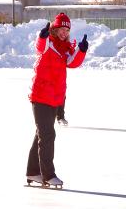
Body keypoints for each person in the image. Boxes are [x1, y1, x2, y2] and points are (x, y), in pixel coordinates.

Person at [26, 13, 88, 186]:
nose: (64, 32)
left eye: (67, 30)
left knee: (41, 134)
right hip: (40, 96)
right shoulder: (49, 44)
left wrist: (81, 50)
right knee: (47, 135)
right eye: (62, 28)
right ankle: (48, 175)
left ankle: (33, 172)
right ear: (55, 28)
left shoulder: (64, 48)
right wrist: (42, 35)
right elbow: (40, 46)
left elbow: (72, 63)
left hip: (54, 97)